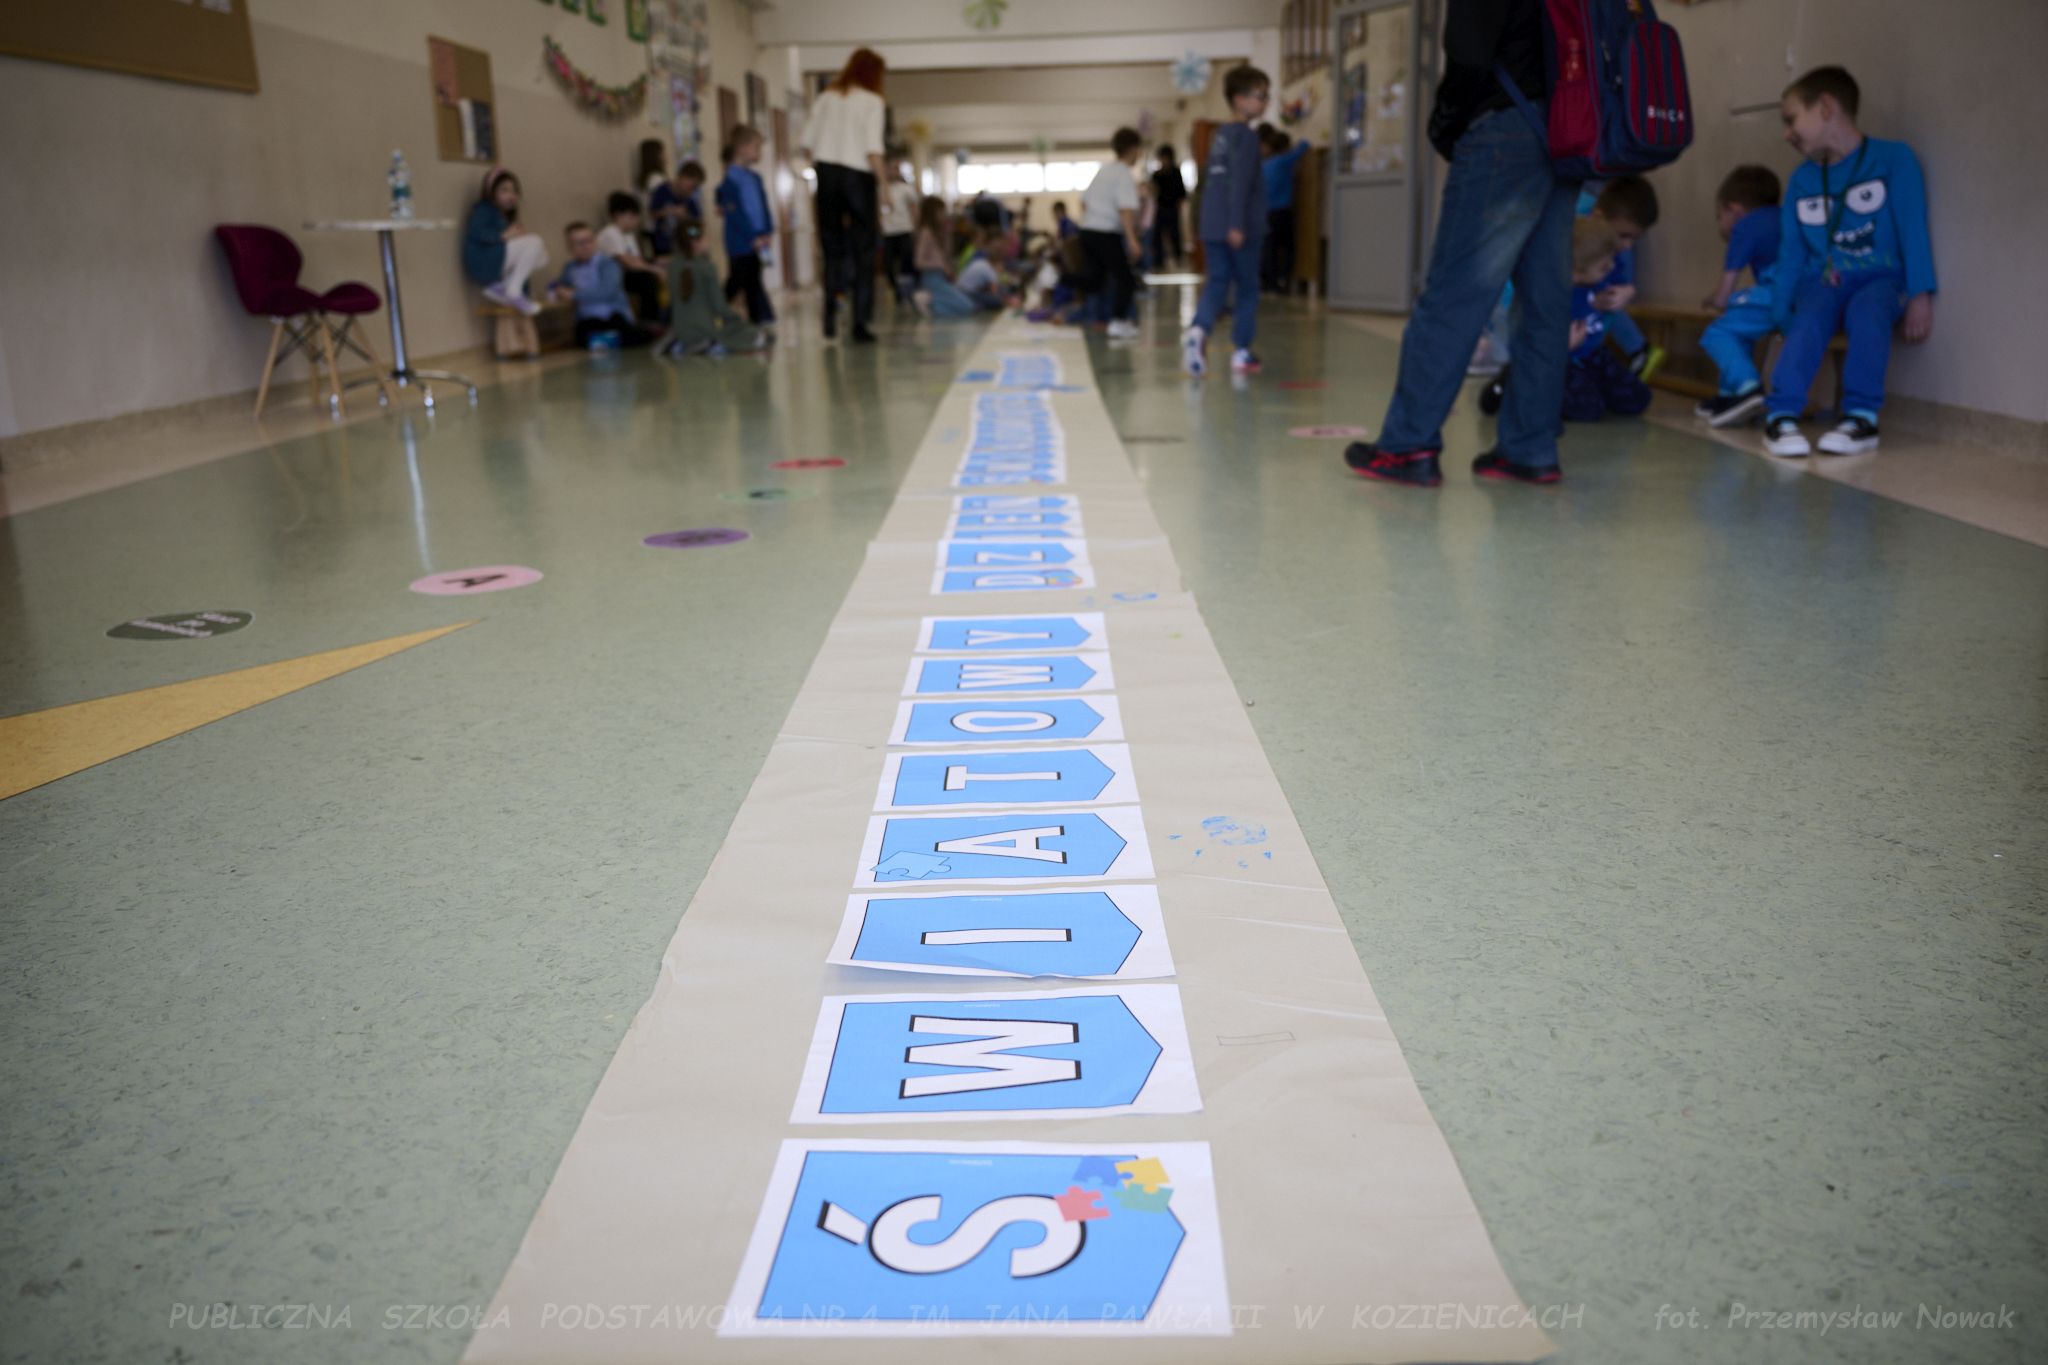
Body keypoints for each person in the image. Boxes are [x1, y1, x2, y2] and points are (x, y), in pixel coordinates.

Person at [1344, 0, 1574, 487]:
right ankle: (1530, 449)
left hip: (1506, 130)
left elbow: (1469, 55)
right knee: (1545, 304)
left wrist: (1447, 126)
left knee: (1454, 295)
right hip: (1567, 132)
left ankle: (1408, 445)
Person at [1762, 65, 1935, 458]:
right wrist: (1780, 308)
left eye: (1791, 119)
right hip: (1823, 280)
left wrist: (1921, 293)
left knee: (1869, 312)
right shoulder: (1802, 180)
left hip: (1881, 278)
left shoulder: (1894, 159)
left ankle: (1861, 417)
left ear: (1826, 107)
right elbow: (1792, 252)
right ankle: (1781, 416)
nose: (1787, 133)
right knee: (1810, 314)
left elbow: (1913, 228)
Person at [1183, 64, 1274, 377]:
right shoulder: (1247, 137)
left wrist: (1207, 223)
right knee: (1247, 287)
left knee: (1217, 282)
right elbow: (1241, 184)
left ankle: (1199, 329)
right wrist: (1236, 224)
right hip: (1240, 226)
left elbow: (1213, 183)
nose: (1266, 102)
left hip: (1212, 223)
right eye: (1260, 96)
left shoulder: (1219, 135)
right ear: (1239, 100)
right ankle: (1242, 351)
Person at [800, 46, 889, 342]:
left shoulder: (826, 97)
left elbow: (807, 144)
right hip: (858, 177)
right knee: (864, 251)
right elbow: (873, 149)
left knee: (831, 249)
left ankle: (829, 316)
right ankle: (859, 323)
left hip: (827, 175)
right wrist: (884, 187)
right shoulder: (872, 101)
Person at [1694, 165, 1784, 427]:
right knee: (1737, 328)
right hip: (1808, 296)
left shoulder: (1745, 227)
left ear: (1733, 209)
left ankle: (1747, 387)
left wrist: (1713, 300)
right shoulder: (1784, 216)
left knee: (1717, 332)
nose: (1720, 224)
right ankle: (1728, 395)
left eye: (1718, 216)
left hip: (1779, 294)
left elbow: (1723, 295)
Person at [1561, 220, 1652, 421]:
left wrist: (1626, 291)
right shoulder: (1559, 294)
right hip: (1562, 361)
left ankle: (1590, 388)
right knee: (1588, 409)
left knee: (1638, 398)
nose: (1611, 267)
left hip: (1593, 355)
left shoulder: (1599, 278)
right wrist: (1563, 346)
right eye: (1604, 267)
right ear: (1576, 272)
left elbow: (1620, 283)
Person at [1582, 176, 1662, 377]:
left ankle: (1639, 352)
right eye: (1624, 236)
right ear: (1598, 217)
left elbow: (1616, 292)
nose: (1627, 245)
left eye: (1634, 238)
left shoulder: (1616, 245)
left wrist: (1627, 291)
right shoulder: (1571, 224)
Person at [660, 219, 767, 355]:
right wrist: (739, 319)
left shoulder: (672, 266)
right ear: (696, 242)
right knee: (752, 332)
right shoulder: (707, 267)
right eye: (705, 237)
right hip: (704, 331)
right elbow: (719, 308)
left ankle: (681, 345)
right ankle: (708, 344)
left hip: (679, 330)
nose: (708, 241)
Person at [1079, 127, 1145, 340]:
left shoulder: (1105, 170)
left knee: (1095, 281)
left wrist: (1093, 218)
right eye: (1139, 150)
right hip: (1105, 233)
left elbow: (1084, 202)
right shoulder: (1123, 173)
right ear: (1133, 149)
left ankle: (1058, 279)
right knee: (1126, 279)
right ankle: (1118, 322)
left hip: (1088, 231)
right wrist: (1132, 240)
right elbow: (1125, 209)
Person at [548, 222, 658, 348]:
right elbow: (561, 285)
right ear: (570, 247)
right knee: (582, 335)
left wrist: (574, 295)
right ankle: (605, 341)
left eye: (589, 240)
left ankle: (606, 340)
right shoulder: (570, 268)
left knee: (629, 334)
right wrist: (558, 290)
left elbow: (606, 291)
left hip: (612, 314)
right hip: (587, 318)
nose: (586, 246)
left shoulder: (608, 264)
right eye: (579, 243)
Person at [462, 167, 547, 317]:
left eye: (514, 191)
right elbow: (476, 233)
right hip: (482, 260)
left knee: (542, 256)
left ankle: (505, 287)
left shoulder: (503, 217)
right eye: (504, 190)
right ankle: (512, 290)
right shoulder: (484, 209)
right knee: (535, 241)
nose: (511, 195)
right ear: (491, 192)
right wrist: (504, 236)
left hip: (494, 259)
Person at [716, 124, 778, 329]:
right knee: (738, 279)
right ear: (742, 148)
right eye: (756, 147)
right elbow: (735, 214)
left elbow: (764, 208)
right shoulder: (730, 180)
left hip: (758, 240)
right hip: (740, 241)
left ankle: (759, 319)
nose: (759, 152)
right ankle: (715, 311)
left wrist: (767, 232)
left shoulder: (755, 178)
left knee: (753, 279)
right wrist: (752, 237)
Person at [595, 191, 665, 324]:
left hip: (626, 273)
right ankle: (649, 321)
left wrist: (656, 264)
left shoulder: (628, 236)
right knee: (647, 279)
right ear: (619, 215)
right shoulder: (610, 233)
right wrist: (654, 270)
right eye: (632, 217)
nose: (636, 221)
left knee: (659, 268)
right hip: (613, 276)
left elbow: (637, 260)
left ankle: (663, 316)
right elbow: (626, 261)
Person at [1260, 127, 1312, 293]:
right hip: (1282, 211)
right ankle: (1284, 281)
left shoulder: (1264, 165)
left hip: (1266, 212)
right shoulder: (1283, 161)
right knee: (1288, 248)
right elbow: (1305, 145)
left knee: (1270, 248)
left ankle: (1270, 282)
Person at [880, 158, 920, 304]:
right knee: (888, 264)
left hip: (904, 230)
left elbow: (914, 209)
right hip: (888, 232)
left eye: (895, 168)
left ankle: (905, 292)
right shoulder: (881, 188)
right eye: (890, 168)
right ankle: (896, 288)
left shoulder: (906, 189)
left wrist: (916, 228)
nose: (892, 171)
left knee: (906, 263)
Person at [647, 161, 706, 258]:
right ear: (682, 177)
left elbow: (697, 232)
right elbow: (651, 215)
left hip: (683, 250)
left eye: (695, 188)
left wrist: (686, 220)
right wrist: (668, 211)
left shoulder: (690, 202)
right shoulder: (662, 191)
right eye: (691, 186)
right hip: (663, 247)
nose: (691, 190)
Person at [1148, 145, 1187, 269]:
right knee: (1157, 236)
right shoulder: (1156, 175)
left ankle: (1178, 259)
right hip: (1159, 209)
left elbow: (1181, 193)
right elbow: (1152, 194)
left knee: (1175, 235)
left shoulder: (1176, 172)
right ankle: (1159, 262)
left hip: (1172, 208)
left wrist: (1179, 208)